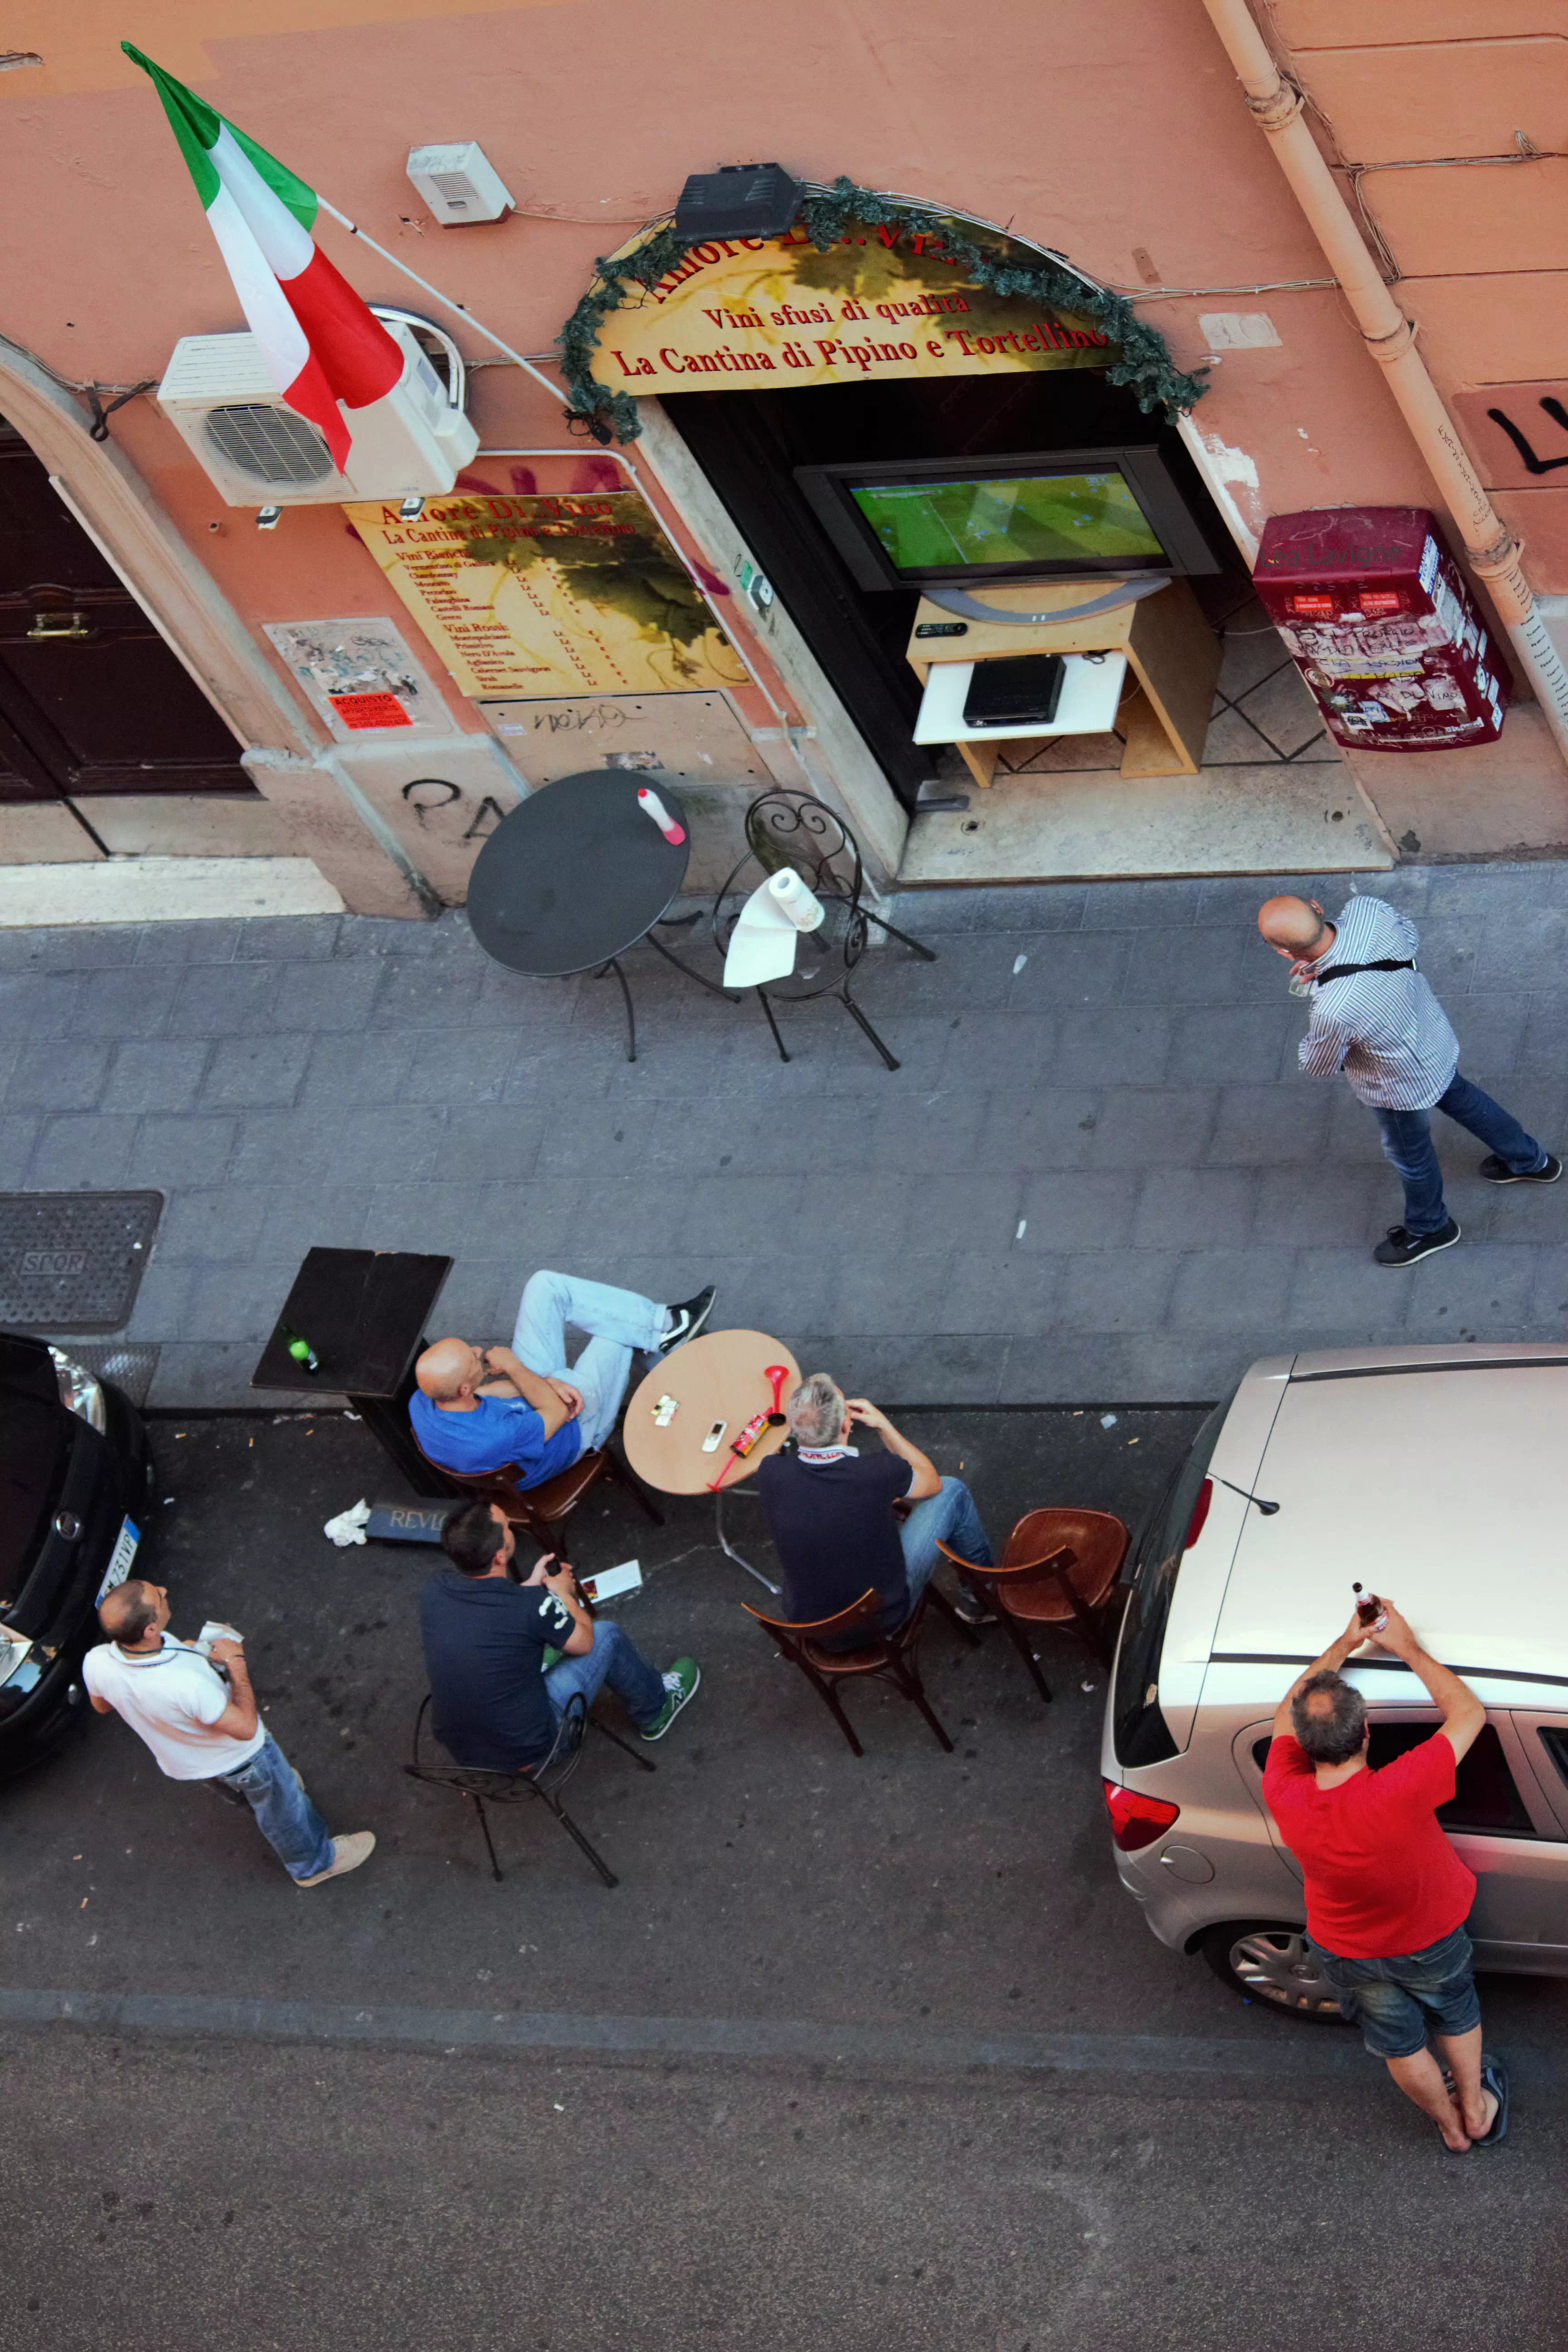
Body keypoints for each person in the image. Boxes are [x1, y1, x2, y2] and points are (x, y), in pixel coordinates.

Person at [1262, 1597, 1506, 2153]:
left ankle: (1448, 2128)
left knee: (1399, 2043)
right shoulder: (1398, 1790)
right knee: (1456, 2013)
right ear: (1367, 1731)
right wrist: (1407, 1647)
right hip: (1429, 1939)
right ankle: (1475, 2110)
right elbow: (1469, 1714)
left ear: (1302, 1744)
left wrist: (1345, 1644)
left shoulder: (1283, 1790)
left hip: (1344, 1949)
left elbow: (1285, 1711)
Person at [1258, 891, 1558, 1267]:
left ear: (1286, 953)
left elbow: (1318, 1063)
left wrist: (1318, 987)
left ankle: (1431, 1227)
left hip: (1396, 1085)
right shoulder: (1368, 911)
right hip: (1432, 1038)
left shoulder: (1334, 1007)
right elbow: (1410, 939)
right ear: (1317, 908)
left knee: (1411, 1157)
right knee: (1464, 1098)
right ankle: (1532, 1162)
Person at [84, 1581, 374, 1887]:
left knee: (259, 1799)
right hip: (243, 1760)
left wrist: (185, 1657)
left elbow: (103, 1705)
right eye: (158, 1597)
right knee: (283, 1810)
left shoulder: (97, 1662)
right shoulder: (186, 1686)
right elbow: (246, 1728)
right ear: (150, 1631)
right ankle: (315, 1863)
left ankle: (270, 1803)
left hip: (191, 1764)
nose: (164, 1589)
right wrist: (237, 1665)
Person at [420, 1499, 700, 1766]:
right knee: (607, 1636)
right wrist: (564, 1594)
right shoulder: (528, 1607)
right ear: (500, 1556)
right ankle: (656, 1709)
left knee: (536, 1646)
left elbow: (494, 1617)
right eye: (507, 1526)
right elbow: (585, 1642)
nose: (511, 1528)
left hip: (469, 1758)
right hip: (537, 1750)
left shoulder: (435, 1590)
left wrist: (530, 1589)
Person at [753, 1372, 996, 1649]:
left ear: (795, 1430)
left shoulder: (770, 1472)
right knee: (953, 1492)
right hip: (882, 1618)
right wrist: (884, 1425)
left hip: (813, 1627)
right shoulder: (876, 1473)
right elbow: (933, 1483)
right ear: (847, 1424)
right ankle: (982, 1600)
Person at [411, 1270, 715, 1490]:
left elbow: (490, 1392)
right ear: (463, 1389)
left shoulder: (425, 1398)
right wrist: (516, 1367)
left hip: (538, 1404)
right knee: (616, 1335)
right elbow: (557, 1412)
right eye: (472, 1358)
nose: (479, 1350)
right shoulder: (496, 1437)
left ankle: (666, 1328)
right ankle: (672, 1342)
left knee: (544, 1286)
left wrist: (545, 1380)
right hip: (573, 1429)